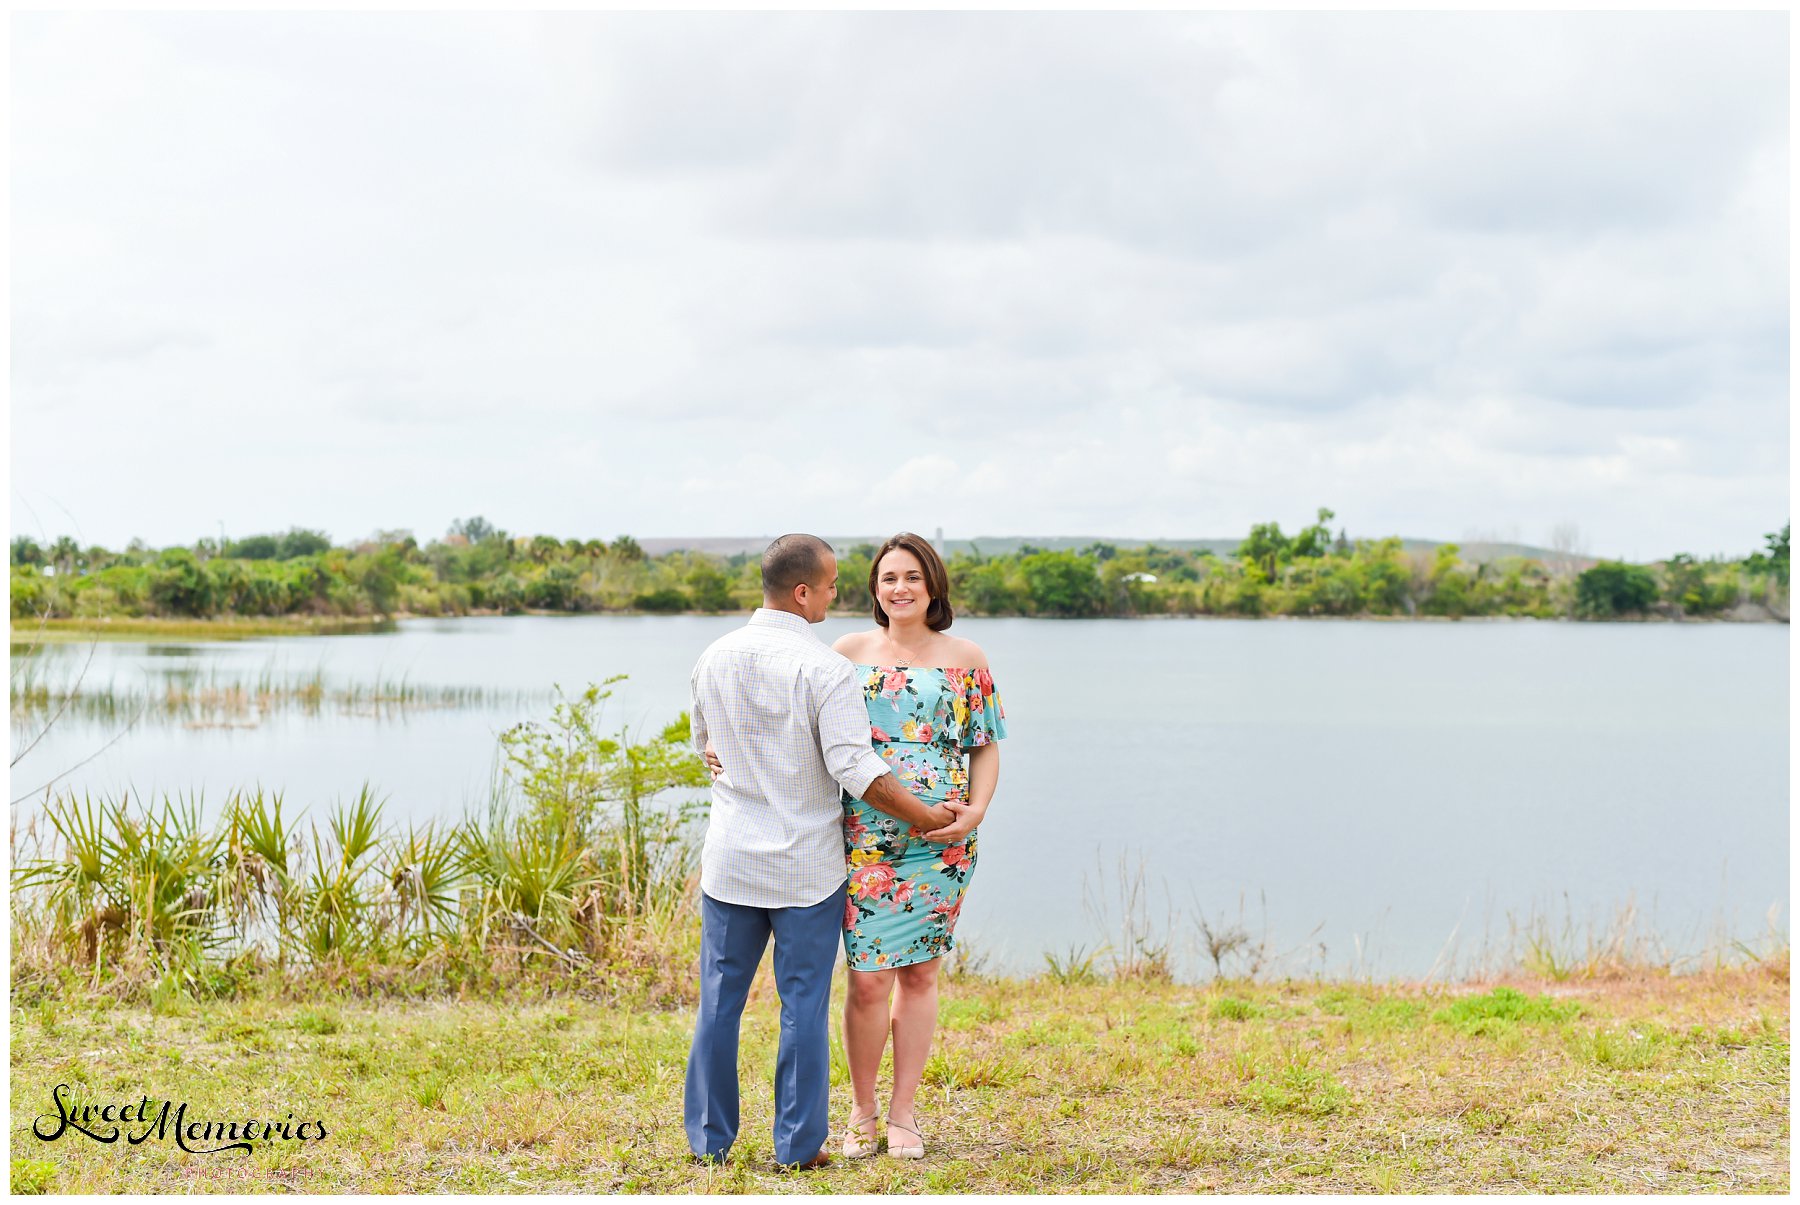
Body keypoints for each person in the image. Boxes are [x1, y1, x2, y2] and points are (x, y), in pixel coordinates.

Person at [684, 533, 958, 1171]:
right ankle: (799, 1147)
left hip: (730, 862)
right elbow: (856, 769)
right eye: (833, 585)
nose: (838, 595)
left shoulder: (714, 655)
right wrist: (924, 817)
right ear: (803, 592)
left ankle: (709, 1143)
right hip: (805, 868)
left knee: (719, 1004)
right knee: (802, 1005)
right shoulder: (824, 668)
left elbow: (706, 746)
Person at [828, 531, 1005, 1160]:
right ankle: (862, 1110)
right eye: (887, 579)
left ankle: (903, 1112)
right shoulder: (846, 652)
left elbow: (985, 744)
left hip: (943, 841)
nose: (899, 589)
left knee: (922, 973)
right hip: (864, 838)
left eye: (911, 577)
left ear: (933, 585)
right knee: (869, 979)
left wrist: (976, 813)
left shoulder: (966, 655)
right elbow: (800, 725)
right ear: (874, 589)